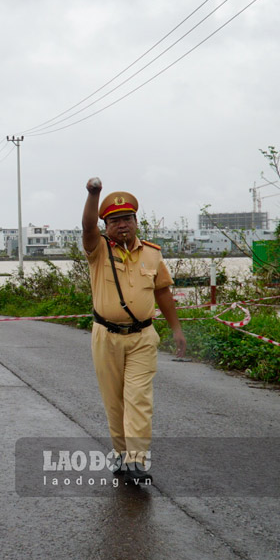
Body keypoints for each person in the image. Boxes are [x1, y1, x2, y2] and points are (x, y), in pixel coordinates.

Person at [81, 178, 186, 484]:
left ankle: (137, 459)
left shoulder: (152, 254)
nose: (123, 226)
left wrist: (176, 328)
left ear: (136, 221)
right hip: (106, 337)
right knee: (114, 401)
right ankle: (121, 452)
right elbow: (87, 228)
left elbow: (163, 292)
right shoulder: (98, 249)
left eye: (128, 219)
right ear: (106, 226)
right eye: (115, 221)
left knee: (139, 398)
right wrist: (93, 194)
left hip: (142, 336)